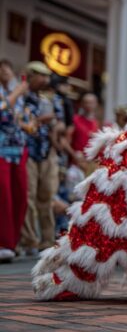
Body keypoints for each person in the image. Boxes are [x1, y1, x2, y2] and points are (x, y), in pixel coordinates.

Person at [18, 61, 60, 256]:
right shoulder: (20, 96)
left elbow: (56, 122)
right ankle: (29, 240)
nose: (45, 80)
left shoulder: (46, 99)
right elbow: (21, 120)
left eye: (46, 76)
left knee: (46, 195)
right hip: (26, 151)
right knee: (28, 196)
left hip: (46, 152)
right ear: (30, 75)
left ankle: (47, 239)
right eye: (40, 76)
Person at [0, 59, 29, 262]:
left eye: (8, 70)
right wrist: (18, 92)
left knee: (20, 196)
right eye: (1, 70)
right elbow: (1, 110)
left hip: (18, 149)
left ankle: (12, 241)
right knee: (4, 196)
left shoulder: (17, 97)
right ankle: (4, 243)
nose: (5, 73)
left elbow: (23, 119)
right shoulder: (12, 94)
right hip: (1, 149)